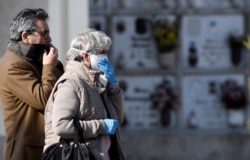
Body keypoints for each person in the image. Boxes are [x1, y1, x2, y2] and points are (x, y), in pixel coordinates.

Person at [44, 28, 125, 160]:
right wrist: (101, 126)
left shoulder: (97, 82)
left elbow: (118, 119)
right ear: (86, 56)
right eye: (101, 53)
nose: (106, 57)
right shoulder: (71, 83)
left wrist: (114, 87)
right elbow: (61, 126)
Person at [0, 8, 64, 160]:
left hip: (43, 148)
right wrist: (49, 67)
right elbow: (44, 100)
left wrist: (54, 66)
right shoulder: (13, 65)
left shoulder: (33, 60)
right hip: (25, 151)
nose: (49, 39)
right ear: (25, 36)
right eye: (44, 34)